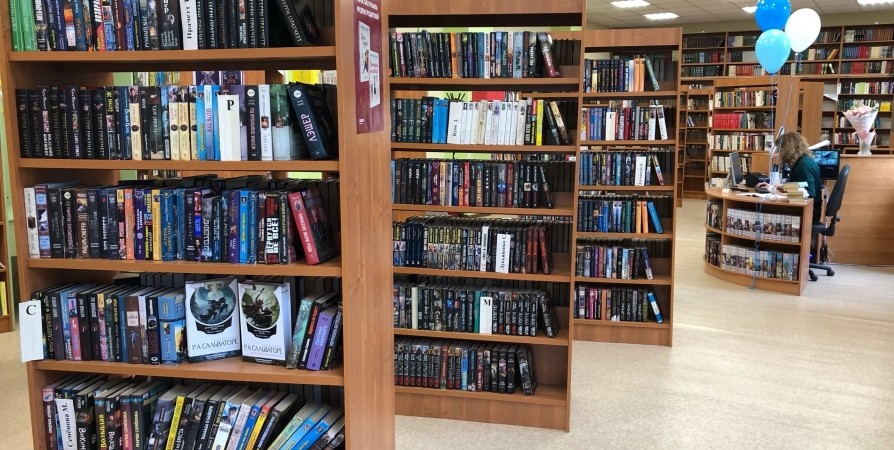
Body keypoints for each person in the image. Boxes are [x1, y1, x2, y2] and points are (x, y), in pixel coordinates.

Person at [758, 131, 823, 223]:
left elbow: (809, 194)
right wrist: (781, 187)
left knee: (763, 212)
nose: (779, 153)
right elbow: (801, 185)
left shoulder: (804, 164)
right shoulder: (802, 161)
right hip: (805, 210)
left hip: (808, 214)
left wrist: (782, 195)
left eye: (780, 150)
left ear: (787, 149)